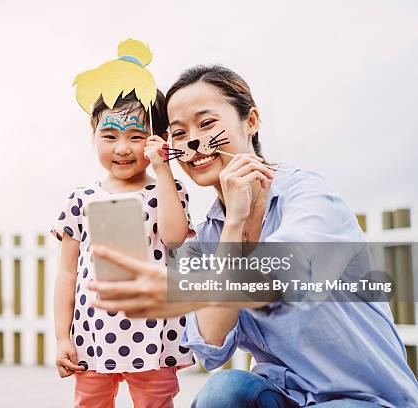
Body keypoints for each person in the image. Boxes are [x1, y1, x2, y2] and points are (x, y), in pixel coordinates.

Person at [88, 65, 418, 407]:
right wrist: (234, 221)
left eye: (207, 123)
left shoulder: (307, 195)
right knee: (223, 391)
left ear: (252, 120)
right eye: (179, 133)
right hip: (284, 395)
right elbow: (211, 340)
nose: (194, 142)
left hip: (363, 399)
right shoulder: (210, 235)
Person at [51, 39, 195, 408]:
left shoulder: (168, 188)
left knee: (156, 402)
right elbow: (67, 273)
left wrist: (163, 170)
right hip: (94, 334)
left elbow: (175, 237)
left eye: (136, 136)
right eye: (110, 136)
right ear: (92, 133)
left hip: (155, 334)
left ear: (158, 139)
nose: (122, 148)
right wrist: (62, 337)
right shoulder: (81, 198)